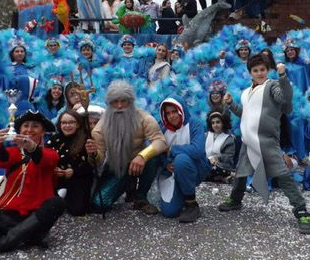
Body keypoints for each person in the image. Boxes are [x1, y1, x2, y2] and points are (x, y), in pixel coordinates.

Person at [218, 55, 310, 234]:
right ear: (250, 73)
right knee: (240, 173)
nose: (259, 73)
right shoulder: (246, 92)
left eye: (262, 69)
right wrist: (231, 104)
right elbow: (245, 115)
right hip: (248, 139)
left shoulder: (272, 86)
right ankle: (235, 200)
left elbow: (284, 99)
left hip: (267, 141)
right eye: (255, 70)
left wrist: (283, 77)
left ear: (267, 70)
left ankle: (301, 211)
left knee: (283, 175)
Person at [0, 108, 65, 257]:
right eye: (26, 125)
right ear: (19, 129)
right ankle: (30, 236)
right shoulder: (13, 152)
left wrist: (32, 147)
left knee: (56, 203)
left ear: (43, 131)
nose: (30, 129)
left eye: (35, 126)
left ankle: (4, 243)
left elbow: (45, 160)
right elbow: (3, 160)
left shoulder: (50, 153)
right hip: (10, 213)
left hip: (36, 214)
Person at [91, 80, 168, 214]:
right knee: (99, 204)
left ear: (130, 101)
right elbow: (99, 160)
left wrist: (142, 156)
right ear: (109, 104)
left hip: (140, 163)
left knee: (154, 157)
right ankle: (127, 185)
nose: (120, 106)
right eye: (115, 102)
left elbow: (161, 141)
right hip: (117, 168)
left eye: (124, 101)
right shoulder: (100, 128)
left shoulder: (144, 118)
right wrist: (93, 154)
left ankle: (141, 197)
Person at [157, 96, 209, 222]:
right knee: (169, 212)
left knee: (181, 160)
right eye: (168, 113)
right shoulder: (163, 129)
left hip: (196, 168)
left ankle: (191, 203)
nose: (172, 116)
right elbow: (157, 152)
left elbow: (197, 150)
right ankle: (182, 196)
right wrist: (165, 164)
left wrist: (172, 150)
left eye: (174, 111)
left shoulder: (194, 124)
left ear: (181, 110)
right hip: (173, 173)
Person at [47, 110, 99, 216]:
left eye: (71, 122)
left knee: (78, 210)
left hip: (79, 178)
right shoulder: (54, 140)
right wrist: (54, 170)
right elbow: (46, 160)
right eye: (64, 123)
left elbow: (91, 166)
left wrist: (74, 172)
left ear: (78, 124)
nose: (67, 125)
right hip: (57, 178)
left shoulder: (86, 140)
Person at [204, 111, 236, 182]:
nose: (215, 125)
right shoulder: (205, 136)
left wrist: (216, 158)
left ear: (223, 123)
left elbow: (228, 157)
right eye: (213, 123)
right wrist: (208, 160)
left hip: (221, 166)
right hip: (206, 164)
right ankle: (222, 178)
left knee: (214, 168)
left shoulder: (229, 139)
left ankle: (226, 175)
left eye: (218, 122)